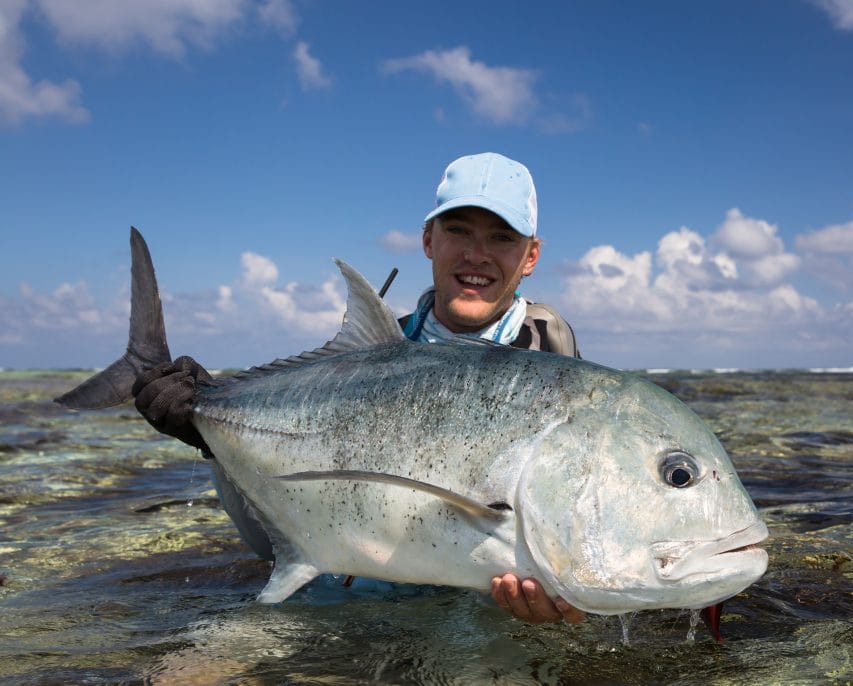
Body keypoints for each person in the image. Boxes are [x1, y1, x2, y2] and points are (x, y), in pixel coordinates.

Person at [133, 152, 584, 625]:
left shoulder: (552, 363)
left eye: (501, 237)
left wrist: (563, 599)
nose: (477, 254)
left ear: (530, 255)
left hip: (465, 619)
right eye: (458, 231)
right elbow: (270, 541)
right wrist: (210, 439)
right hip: (334, 599)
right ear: (428, 239)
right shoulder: (367, 360)